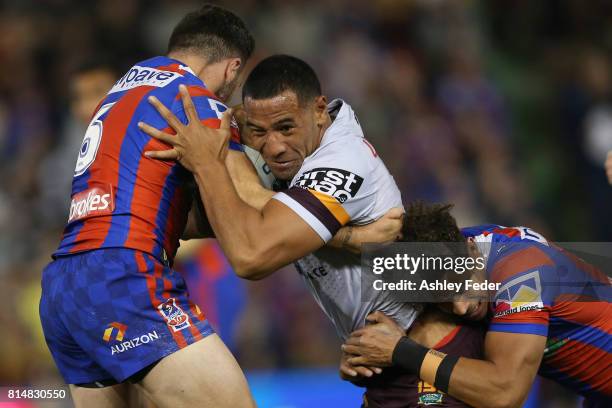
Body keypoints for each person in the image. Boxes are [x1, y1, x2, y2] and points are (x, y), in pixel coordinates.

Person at [39, 5, 259, 407]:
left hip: (64, 286)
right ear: (232, 68)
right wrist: (341, 222)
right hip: (124, 277)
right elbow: (254, 206)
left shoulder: (124, 90)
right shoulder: (192, 100)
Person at [139, 54, 415, 364]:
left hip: (428, 345)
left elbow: (251, 256)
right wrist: (347, 238)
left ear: (320, 111)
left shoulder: (343, 161)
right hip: (387, 354)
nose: (275, 147)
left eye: (286, 128)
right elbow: (199, 222)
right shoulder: (293, 156)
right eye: (259, 132)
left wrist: (208, 164)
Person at [342, 202, 612, 408]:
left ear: (472, 250)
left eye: (462, 287)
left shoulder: (523, 276)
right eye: (443, 301)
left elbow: (506, 393)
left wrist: (400, 350)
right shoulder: (440, 255)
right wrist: (363, 357)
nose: (461, 308)